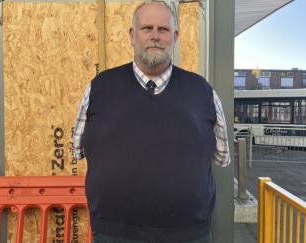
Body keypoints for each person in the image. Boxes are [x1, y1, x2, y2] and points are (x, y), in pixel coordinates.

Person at [73, 3, 230, 243]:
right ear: (132, 35)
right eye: (147, 28)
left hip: (189, 234)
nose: (155, 36)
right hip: (113, 234)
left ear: (175, 37)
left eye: (163, 29)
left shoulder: (203, 92)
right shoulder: (98, 88)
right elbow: (78, 151)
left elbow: (222, 158)